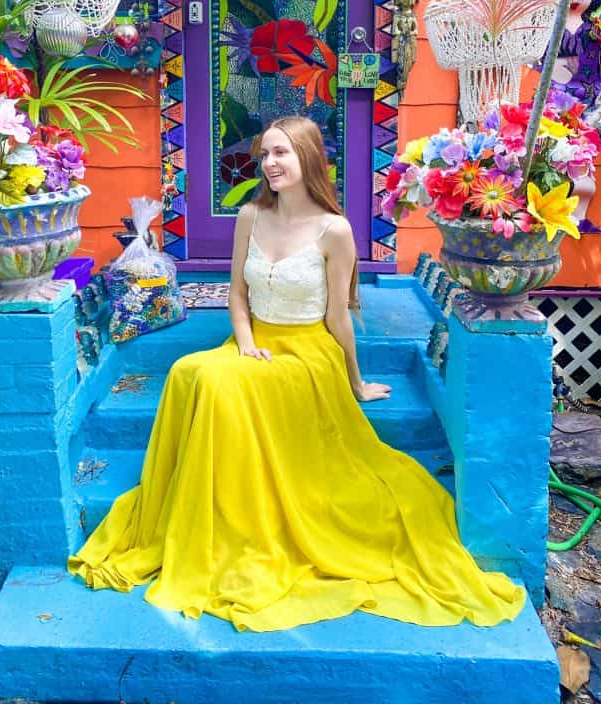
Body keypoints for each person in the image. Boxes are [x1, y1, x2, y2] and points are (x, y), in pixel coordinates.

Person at [68, 115, 526, 632]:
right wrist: (244, 344)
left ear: (308, 156)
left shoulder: (335, 230)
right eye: (264, 154)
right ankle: (189, 517)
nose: (269, 164)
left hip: (309, 353)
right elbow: (236, 296)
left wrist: (354, 380)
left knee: (220, 386)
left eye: (281, 153)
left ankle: (233, 529)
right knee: (185, 372)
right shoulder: (249, 217)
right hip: (252, 342)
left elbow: (338, 316)